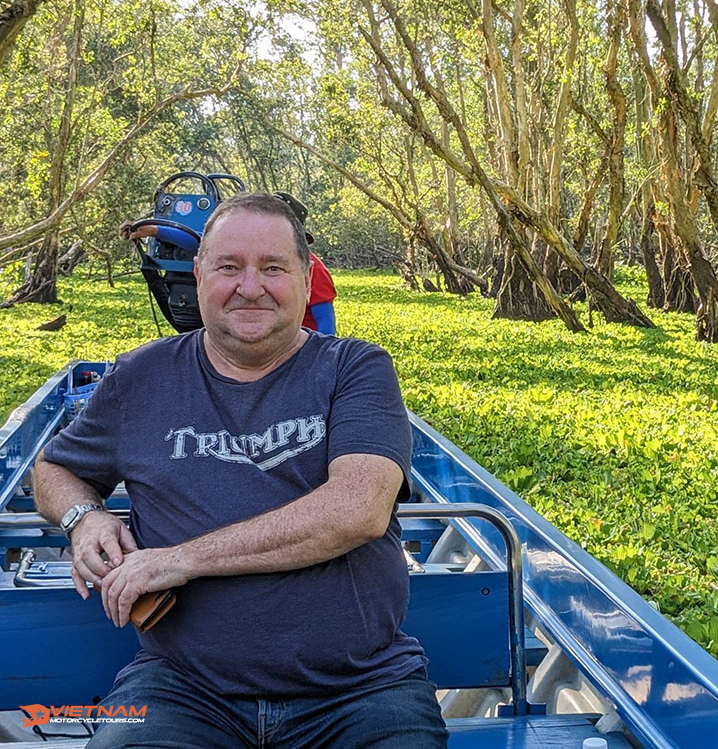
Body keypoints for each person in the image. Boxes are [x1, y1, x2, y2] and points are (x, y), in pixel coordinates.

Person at [37, 192, 448, 748]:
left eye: (272, 268)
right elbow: (54, 468)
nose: (249, 287)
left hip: (362, 690)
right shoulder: (141, 376)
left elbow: (359, 510)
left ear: (306, 281)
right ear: (199, 275)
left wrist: (181, 560)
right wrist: (84, 517)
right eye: (229, 267)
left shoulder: (355, 368)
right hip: (181, 690)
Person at [121, 192, 338, 335]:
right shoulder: (239, 248)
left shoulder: (313, 268)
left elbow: (325, 322)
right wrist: (153, 230)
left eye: (273, 268)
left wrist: (318, 359)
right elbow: (199, 239)